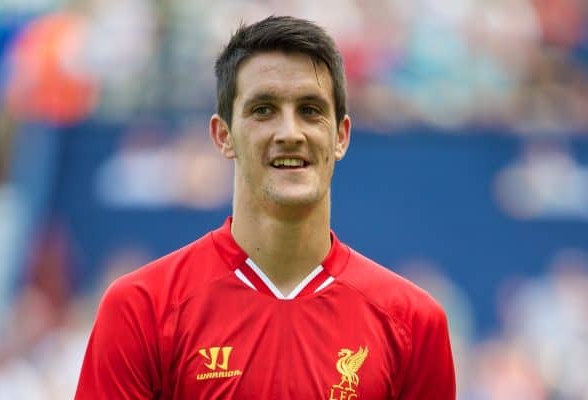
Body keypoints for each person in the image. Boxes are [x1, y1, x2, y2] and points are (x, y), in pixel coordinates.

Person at [75, 16, 456, 399]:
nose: (290, 133)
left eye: (310, 110)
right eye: (263, 110)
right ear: (223, 135)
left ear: (341, 136)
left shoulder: (412, 322)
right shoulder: (141, 309)